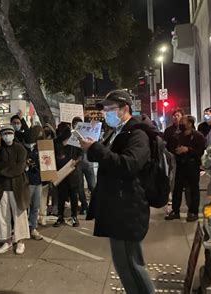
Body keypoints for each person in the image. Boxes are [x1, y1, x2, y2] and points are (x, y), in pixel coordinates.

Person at [79, 89, 154, 293]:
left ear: (125, 109)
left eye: (110, 109)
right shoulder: (117, 132)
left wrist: (96, 149)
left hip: (128, 209)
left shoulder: (137, 134)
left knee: (131, 265)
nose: (106, 113)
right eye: (105, 110)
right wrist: (91, 147)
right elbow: (107, 159)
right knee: (124, 265)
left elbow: (129, 165)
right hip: (118, 207)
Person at [0, 125, 30, 255]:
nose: (7, 136)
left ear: (13, 134)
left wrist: (3, 171)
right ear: (1, 135)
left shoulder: (21, 149)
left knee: (19, 213)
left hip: (17, 187)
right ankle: (7, 241)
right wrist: (6, 169)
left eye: (9, 133)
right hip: (1, 187)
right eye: (4, 134)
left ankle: (20, 241)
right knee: (2, 214)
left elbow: (19, 168)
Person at [165, 115, 206, 222]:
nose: (181, 123)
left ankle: (193, 212)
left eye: (183, 121)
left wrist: (188, 150)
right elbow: (171, 147)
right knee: (177, 189)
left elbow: (200, 152)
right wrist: (176, 150)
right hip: (180, 165)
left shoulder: (198, 136)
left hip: (192, 165)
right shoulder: (177, 136)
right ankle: (175, 211)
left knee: (193, 189)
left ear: (190, 124)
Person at [53, 122, 83, 228]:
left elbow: (81, 154)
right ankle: (60, 216)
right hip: (60, 173)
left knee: (73, 195)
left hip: (72, 172)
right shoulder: (56, 142)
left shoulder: (74, 140)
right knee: (61, 195)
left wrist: (76, 161)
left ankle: (74, 217)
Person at [71, 117, 95, 215]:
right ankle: (84, 206)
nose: (77, 126)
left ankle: (95, 206)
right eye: (75, 124)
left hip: (89, 163)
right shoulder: (72, 136)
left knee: (92, 186)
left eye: (79, 124)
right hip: (78, 164)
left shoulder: (88, 134)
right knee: (80, 187)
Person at [25, 125, 44, 240]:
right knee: (26, 206)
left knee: (35, 206)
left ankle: (33, 227)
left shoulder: (42, 148)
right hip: (28, 181)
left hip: (39, 181)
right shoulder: (25, 148)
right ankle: (25, 228)